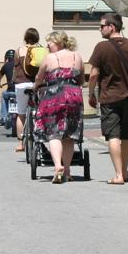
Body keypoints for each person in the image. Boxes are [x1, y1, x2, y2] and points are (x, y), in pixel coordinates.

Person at [87, 13, 128, 184]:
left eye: (101, 26)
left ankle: (118, 175)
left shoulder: (102, 47)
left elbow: (93, 75)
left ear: (112, 27)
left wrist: (91, 94)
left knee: (113, 136)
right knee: (127, 136)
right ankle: (124, 171)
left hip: (109, 97)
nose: (100, 29)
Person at [32, 31, 84, 183]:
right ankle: (67, 170)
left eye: (50, 42)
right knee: (70, 134)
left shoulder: (50, 58)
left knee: (53, 132)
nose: (48, 45)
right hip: (74, 96)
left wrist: (35, 87)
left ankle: (57, 166)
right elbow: (81, 79)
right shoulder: (77, 56)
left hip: (54, 96)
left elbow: (39, 77)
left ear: (59, 42)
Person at [12, 28, 42, 152]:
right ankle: (40, 140)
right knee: (39, 112)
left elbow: (15, 66)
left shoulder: (19, 51)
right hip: (36, 84)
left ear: (25, 37)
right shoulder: (41, 50)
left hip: (21, 84)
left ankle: (20, 143)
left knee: (21, 113)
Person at [0, 49, 17, 129]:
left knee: (4, 96)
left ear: (6, 58)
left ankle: (3, 118)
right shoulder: (19, 65)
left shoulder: (6, 65)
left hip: (10, 92)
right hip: (19, 92)